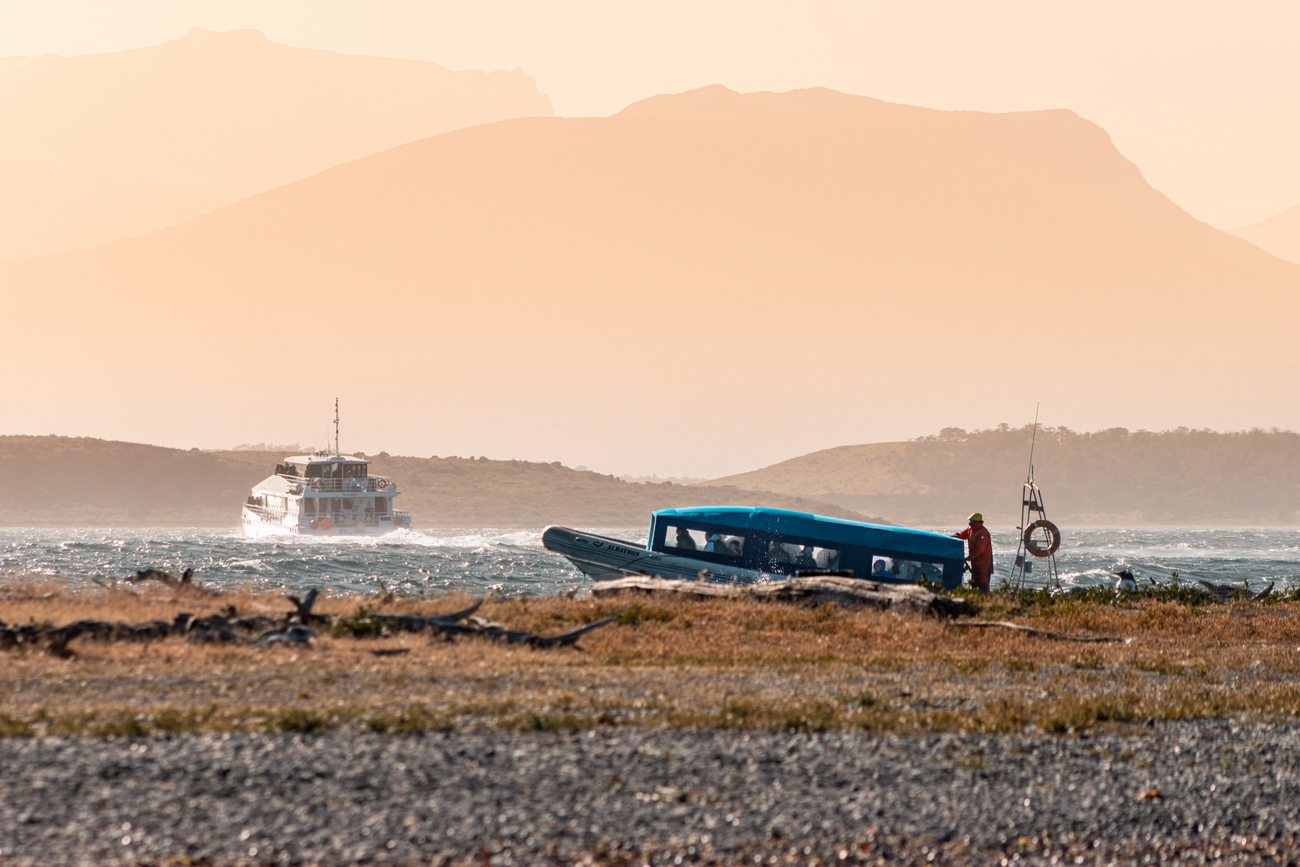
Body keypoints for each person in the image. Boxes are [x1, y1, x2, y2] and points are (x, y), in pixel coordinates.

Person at [954, 512, 993, 592]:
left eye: (971, 522)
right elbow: (962, 535)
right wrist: (954, 536)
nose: (970, 523)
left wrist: (969, 557)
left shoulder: (983, 533)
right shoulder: (970, 530)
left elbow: (980, 549)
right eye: (970, 522)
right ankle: (975, 597)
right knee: (974, 581)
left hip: (984, 562)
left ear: (978, 523)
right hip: (975, 562)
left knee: (982, 582)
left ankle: (984, 599)